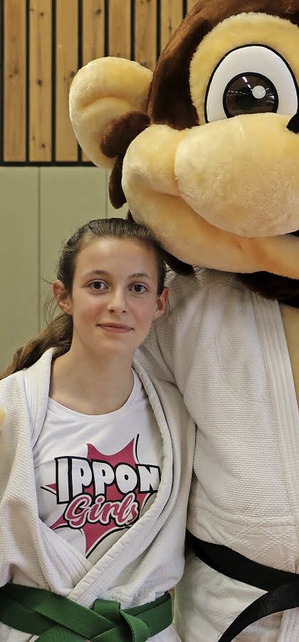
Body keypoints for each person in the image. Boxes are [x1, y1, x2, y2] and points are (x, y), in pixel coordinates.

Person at [0, 218, 194, 641]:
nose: (118, 304)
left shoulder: (177, 417)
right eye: (98, 285)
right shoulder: (9, 410)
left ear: (160, 304)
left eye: (138, 288)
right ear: (64, 296)